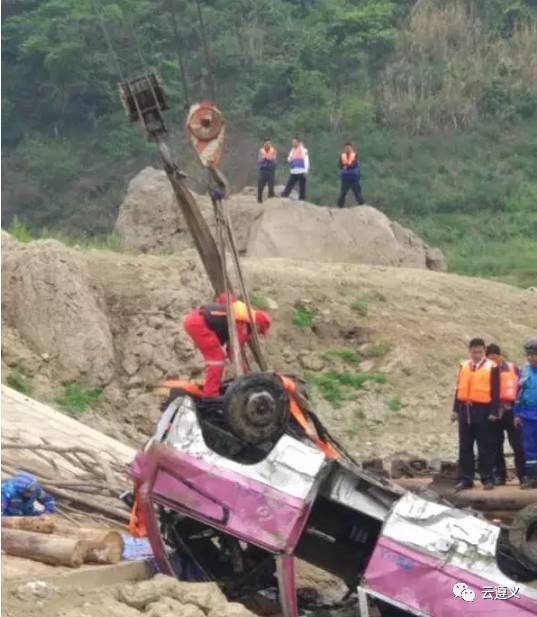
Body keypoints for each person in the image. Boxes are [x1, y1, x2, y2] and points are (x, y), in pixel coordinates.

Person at [183, 296, 271, 398]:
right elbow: (233, 352)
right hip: (198, 323)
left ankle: (210, 389)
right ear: (257, 325)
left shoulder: (241, 318)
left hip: (195, 320)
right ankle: (210, 394)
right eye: (259, 331)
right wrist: (245, 373)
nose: (257, 334)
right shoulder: (243, 326)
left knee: (216, 357)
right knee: (217, 359)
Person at [452, 338, 500, 491]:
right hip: (465, 409)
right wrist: (454, 410)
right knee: (465, 446)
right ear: (469, 351)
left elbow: (495, 391)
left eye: (480, 352)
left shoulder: (492, 367)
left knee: (484, 446)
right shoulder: (464, 366)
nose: (477, 355)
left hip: (483, 410)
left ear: (484, 351)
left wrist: (493, 411)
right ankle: (466, 478)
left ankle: (487, 478)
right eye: (474, 352)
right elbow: (459, 389)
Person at [486, 344, 525, 486]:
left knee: (518, 445)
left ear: (499, 356)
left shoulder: (513, 368)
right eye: (490, 359)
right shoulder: (485, 370)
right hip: (493, 413)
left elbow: (521, 388)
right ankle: (500, 476)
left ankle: (523, 475)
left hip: (511, 411)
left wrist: (520, 411)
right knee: (495, 445)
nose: (493, 362)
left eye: (495, 359)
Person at [514, 338, 537, 489]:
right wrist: (517, 414)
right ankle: (532, 477)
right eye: (528, 355)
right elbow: (517, 394)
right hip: (528, 415)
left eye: (533, 354)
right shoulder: (524, 371)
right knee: (529, 448)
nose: (530, 358)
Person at [337, 142, 364, 208]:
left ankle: (362, 205)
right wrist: (343, 169)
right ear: (344, 149)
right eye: (346, 148)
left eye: (349, 147)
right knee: (343, 193)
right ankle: (340, 206)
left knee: (357, 193)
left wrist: (346, 166)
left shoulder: (355, 155)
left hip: (354, 178)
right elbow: (340, 165)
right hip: (345, 178)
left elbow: (354, 164)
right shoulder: (342, 156)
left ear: (352, 148)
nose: (347, 149)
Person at [257, 139, 277, 203]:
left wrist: (267, 159)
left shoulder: (273, 150)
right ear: (264, 144)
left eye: (269, 144)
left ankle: (271, 197)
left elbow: (274, 159)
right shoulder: (261, 150)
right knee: (260, 184)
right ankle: (259, 198)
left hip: (271, 170)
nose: (268, 145)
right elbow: (259, 160)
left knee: (271, 184)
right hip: (263, 169)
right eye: (266, 143)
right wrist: (264, 159)